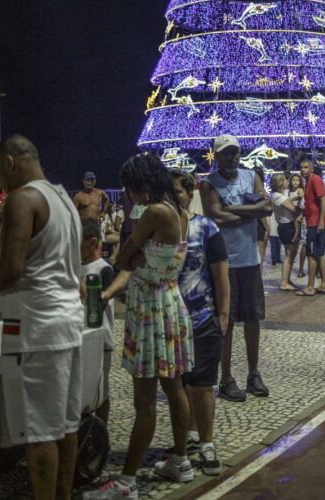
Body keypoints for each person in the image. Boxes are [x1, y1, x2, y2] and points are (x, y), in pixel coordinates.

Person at [0, 136, 83, 500]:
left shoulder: (23, 199)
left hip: (40, 326)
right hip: (69, 321)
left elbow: (12, 269)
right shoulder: (63, 198)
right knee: (66, 426)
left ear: (10, 162)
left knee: (40, 434)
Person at [97, 153, 195, 494]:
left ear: (142, 184)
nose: (130, 195)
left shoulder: (154, 212)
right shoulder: (180, 211)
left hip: (150, 311)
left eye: (131, 188)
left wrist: (129, 255)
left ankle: (126, 481)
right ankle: (180, 460)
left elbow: (122, 257)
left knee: (145, 403)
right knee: (175, 387)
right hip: (170, 303)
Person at [201, 135, 272, 402]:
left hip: (250, 259)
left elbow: (267, 207)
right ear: (216, 155)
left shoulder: (251, 175)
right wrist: (250, 210)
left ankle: (253, 374)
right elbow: (216, 216)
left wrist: (235, 208)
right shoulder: (208, 184)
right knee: (226, 322)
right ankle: (226, 378)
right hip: (224, 263)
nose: (231, 158)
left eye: (235, 153)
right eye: (226, 154)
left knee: (253, 319)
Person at [170, 170, 230, 476]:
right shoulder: (161, 229)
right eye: (168, 193)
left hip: (203, 316)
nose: (172, 198)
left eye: (178, 193)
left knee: (203, 383)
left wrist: (223, 314)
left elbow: (221, 272)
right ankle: (187, 436)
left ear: (189, 193)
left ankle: (207, 444)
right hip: (170, 320)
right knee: (179, 384)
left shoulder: (205, 228)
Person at [79, 218, 116, 424]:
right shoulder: (75, 267)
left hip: (101, 339)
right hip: (80, 336)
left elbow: (101, 304)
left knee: (101, 390)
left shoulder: (104, 269)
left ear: (93, 243)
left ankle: (101, 431)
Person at [295, 159, 325, 297]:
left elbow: (323, 200)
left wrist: (321, 221)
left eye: (305, 167)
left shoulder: (315, 180)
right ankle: (324, 284)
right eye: (301, 167)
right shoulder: (308, 181)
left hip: (316, 223)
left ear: (312, 169)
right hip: (313, 221)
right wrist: (303, 214)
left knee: (311, 254)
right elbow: (311, 203)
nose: (302, 169)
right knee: (319, 254)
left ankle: (310, 287)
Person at [270, 173, 303, 291]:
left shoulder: (281, 194)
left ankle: (287, 280)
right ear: (279, 183)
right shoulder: (278, 196)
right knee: (289, 255)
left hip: (287, 226)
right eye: (284, 181)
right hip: (286, 226)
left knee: (291, 254)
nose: (287, 182)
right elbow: (294, 209)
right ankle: (284, 283)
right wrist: (303, 209)